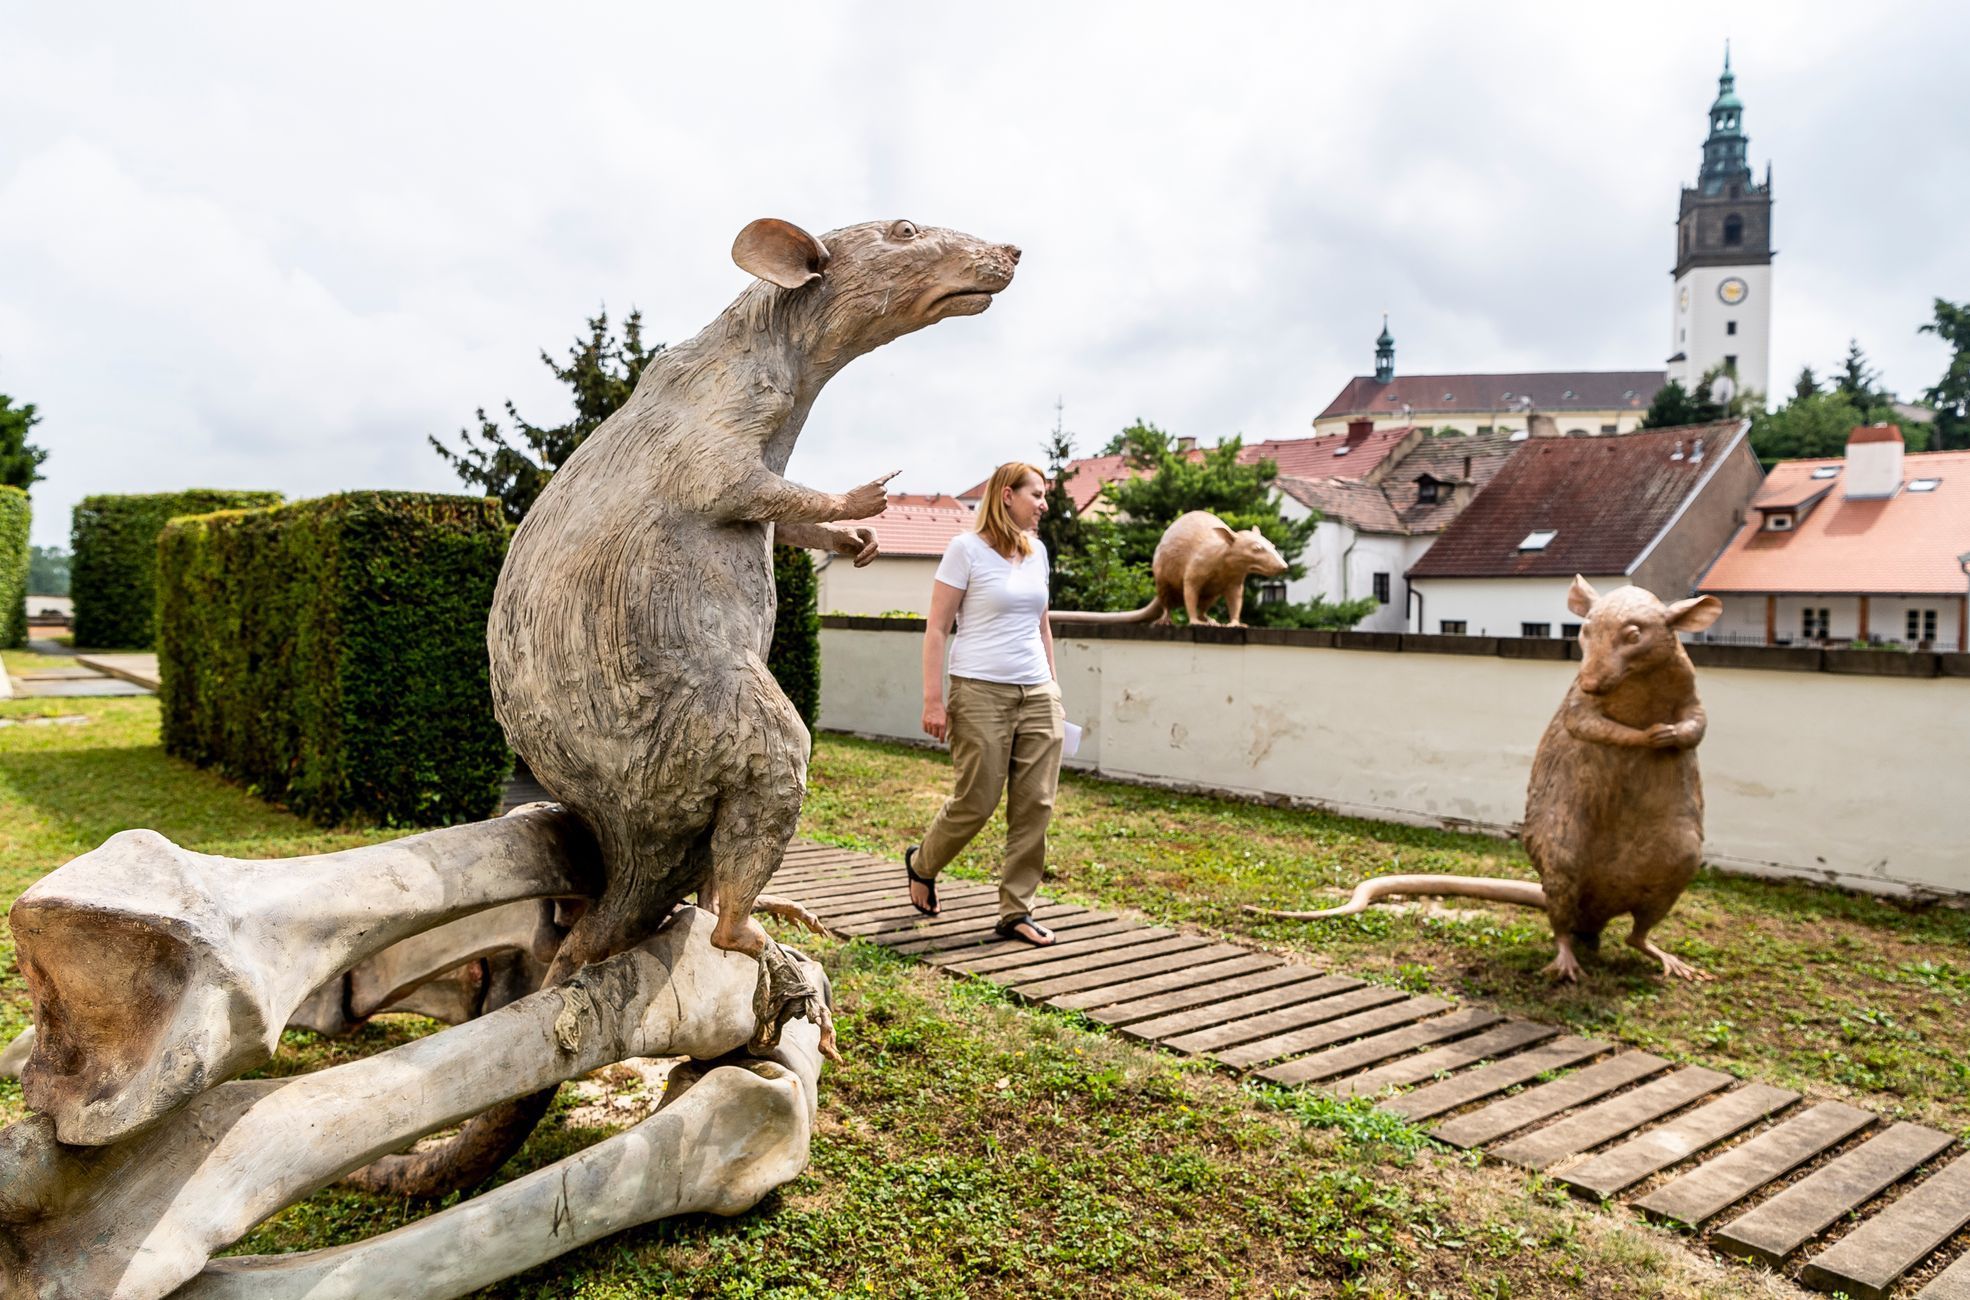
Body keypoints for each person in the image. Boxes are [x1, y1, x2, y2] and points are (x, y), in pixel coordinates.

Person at [905, 461, 1064, 946]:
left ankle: (1016, 910)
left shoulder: (1038, 552)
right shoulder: (965, 550)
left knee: (1035, 805)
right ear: (1006, 496)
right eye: (1036, 494)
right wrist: (934, 700)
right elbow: (937, 629)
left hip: (1037, 692)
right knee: (977, 800)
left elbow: (1042, 625)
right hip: (979, 691)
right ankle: (923, 863)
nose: (1044, 505)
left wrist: (1054, 688)